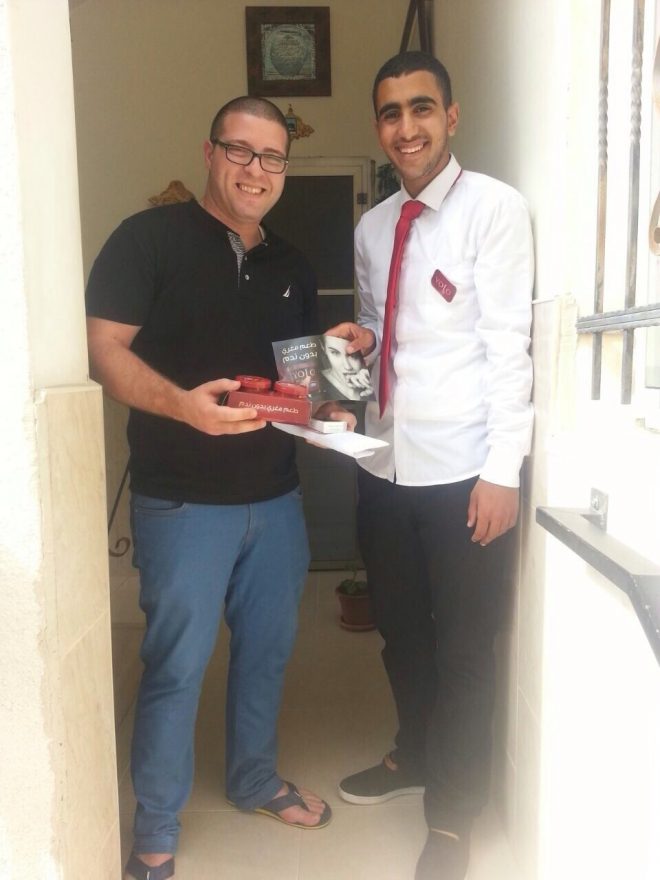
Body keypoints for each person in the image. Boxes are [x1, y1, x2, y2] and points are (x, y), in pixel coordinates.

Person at [86, 96, 353, 880]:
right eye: (240, 150)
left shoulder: (294, 266)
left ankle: (253, 780)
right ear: (210, 152)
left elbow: (298, 387)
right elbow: (104, 350)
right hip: (180, 503)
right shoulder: (147, 240)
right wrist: (183, 407)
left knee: (267, 654)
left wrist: (331, 400)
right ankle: (156, 830)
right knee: (176, 665)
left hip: (275, 500)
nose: (256, 170)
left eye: (272, 157)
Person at [328, 52, 534, 880]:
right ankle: (414, 752)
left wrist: (503, 469)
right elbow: (385, 330)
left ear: (452, 116)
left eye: (421, 108)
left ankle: (453, 815)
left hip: (464, 474)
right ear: (378, 127)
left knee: (465, 650)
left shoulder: (495, 209)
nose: (406, 127)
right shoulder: (372, 228)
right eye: (390, 113)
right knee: (403, 635)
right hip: (384, 467)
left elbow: (508, 346)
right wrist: (361, 343)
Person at [318, 334, 373, 401]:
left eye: (353, 354)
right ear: (323, 347)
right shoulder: (315, 383)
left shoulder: (371, 377)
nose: (347, 367)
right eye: (335, 353)